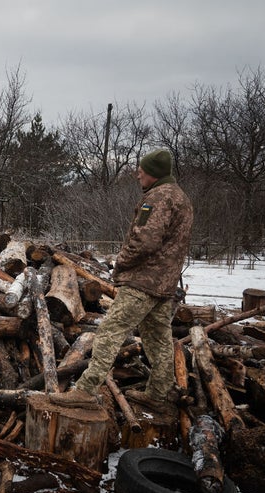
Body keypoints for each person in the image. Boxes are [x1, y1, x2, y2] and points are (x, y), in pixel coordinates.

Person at [49, 149, 193, 413]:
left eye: (143, 169)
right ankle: (160, 393)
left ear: (154, 173)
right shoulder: (181, 198)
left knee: (108, 332)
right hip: (165, 284)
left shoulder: (158, 198)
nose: (138, 173)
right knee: (157, 337)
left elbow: (146, 240)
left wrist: (121, 261)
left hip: (144, 281)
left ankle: (85, 390)